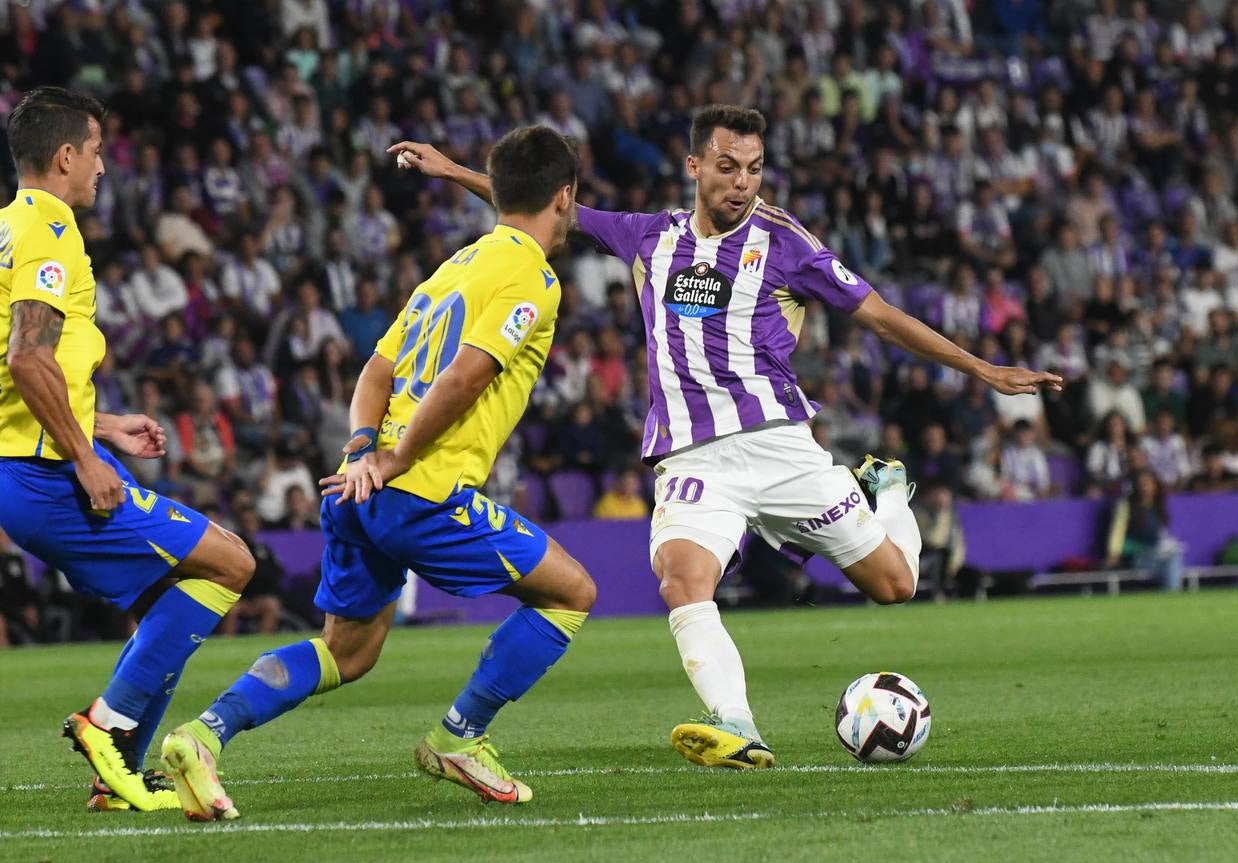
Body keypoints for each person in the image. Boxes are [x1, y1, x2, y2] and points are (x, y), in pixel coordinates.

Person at [391, 104, 1061, 769]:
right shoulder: (649, 235)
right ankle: (738, 728)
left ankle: (885, 489)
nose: (743, 182)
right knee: (683, 581)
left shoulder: (787, 243)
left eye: (754, 169)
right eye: (728, 166)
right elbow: (547, 208)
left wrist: (981, 368)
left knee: (895, 585)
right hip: (692, 457)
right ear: (695, 166)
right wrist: (451, 170)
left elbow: (880, 316)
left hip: (780, 447)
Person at [161, 125, 595, 819]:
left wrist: (365, 447)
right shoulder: (532, 279)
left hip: (355, 487)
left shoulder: (454, 267)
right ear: (565, 197)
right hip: (422, 493)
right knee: (570, 591)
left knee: (347, 651)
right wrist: (396, 459)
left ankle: (204, 734)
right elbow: (465, 378)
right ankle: (461, 736)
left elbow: (377, 368)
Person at [0, 87, 255, 813]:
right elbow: (25, 359)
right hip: (48, 475)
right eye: (99, 151)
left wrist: (103, 426)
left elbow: (14, 368)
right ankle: (104, 725)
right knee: (231, 563)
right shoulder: (49, 228)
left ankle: (118, 777)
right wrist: (85, 455)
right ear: (65, 156)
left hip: (26, 463)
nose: (105, 168)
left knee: (164, 601)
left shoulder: (6, 230)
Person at [1104, 470, 1184, 591]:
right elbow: (1118, 531)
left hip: (1157, 555)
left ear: (1155, 486)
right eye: (1141, 484)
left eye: (1148, 484)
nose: (1144, 488)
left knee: (1173, 556)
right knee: (1170, 558)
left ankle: (1171, 592)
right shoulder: (1126, 505)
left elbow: (1161, 535)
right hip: (1136, 556)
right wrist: (1113, 553)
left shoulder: (1158, 508)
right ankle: (1172, 594)